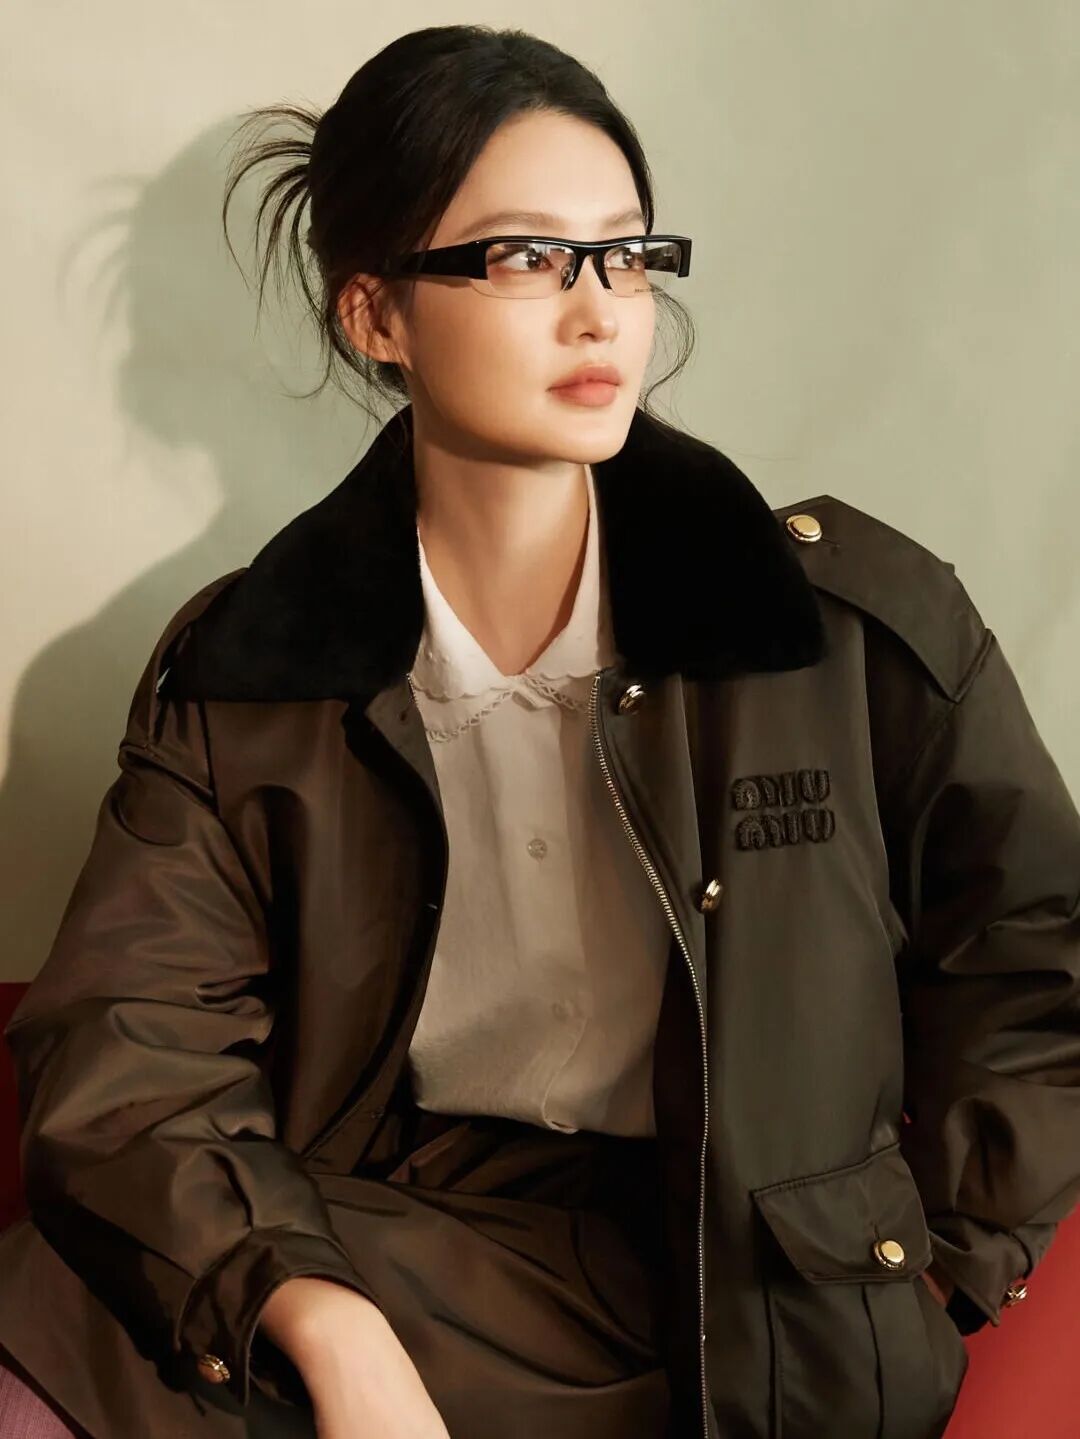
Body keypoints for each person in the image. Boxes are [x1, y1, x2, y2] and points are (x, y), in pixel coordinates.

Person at [2, 21, 1079, 1439]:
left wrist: (943, 1265)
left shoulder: (842, 626)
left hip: (758, 1281)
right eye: (526, 257)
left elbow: (1038, 946)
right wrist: (324, 1323)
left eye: (627, 256)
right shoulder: (252, 673)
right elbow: (126, 1045)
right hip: (409, 1235)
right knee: (60, 1293)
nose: (600, 313)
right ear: (376, 315)